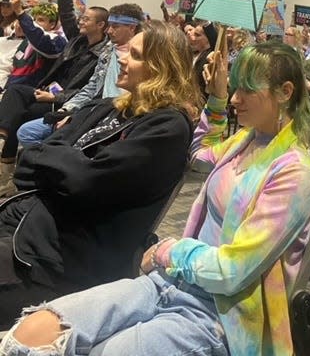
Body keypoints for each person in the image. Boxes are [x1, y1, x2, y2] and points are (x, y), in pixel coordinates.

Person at [1, 41, 310, 355]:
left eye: (247, 90)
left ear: (285, 92)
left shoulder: (294, 173)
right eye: (236, 88)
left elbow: (232, 271)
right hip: (170, 283)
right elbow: (200, 155)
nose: (237, 98)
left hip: (221, 314)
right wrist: (217, 99)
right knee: (36, 330)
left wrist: (170, 251)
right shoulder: (244, 140)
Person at [0, 20, 199, 327]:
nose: (121, 57)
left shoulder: (167, 128)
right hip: (26, 224)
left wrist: (59, 165)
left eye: (134, 54)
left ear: (160, 67)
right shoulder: (106, 108)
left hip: (60, 260)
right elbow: (27, 163)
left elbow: (85, 181)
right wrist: (66, 165)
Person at [0, 0, 108, 194]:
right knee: (15, 92)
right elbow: (67, 11)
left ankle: (20, 176)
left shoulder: (104, 56)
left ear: (101, 25)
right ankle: (4, 148)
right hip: (47, 91)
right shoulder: (77, 40)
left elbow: (90, 89)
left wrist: (54, 98)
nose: (81, 20)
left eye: (87, 19)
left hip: (63, 102)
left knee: (24, 115)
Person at [15, 3, 145, 147]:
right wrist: (68, 109)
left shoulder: (146, 59)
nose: (108, 31)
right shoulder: (107, 52)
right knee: (27, 131)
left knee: (58, 145)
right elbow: (92, 87)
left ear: (132, 28)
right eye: (109, 25)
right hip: (95, 110)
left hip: (119, 117)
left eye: (115, 26)